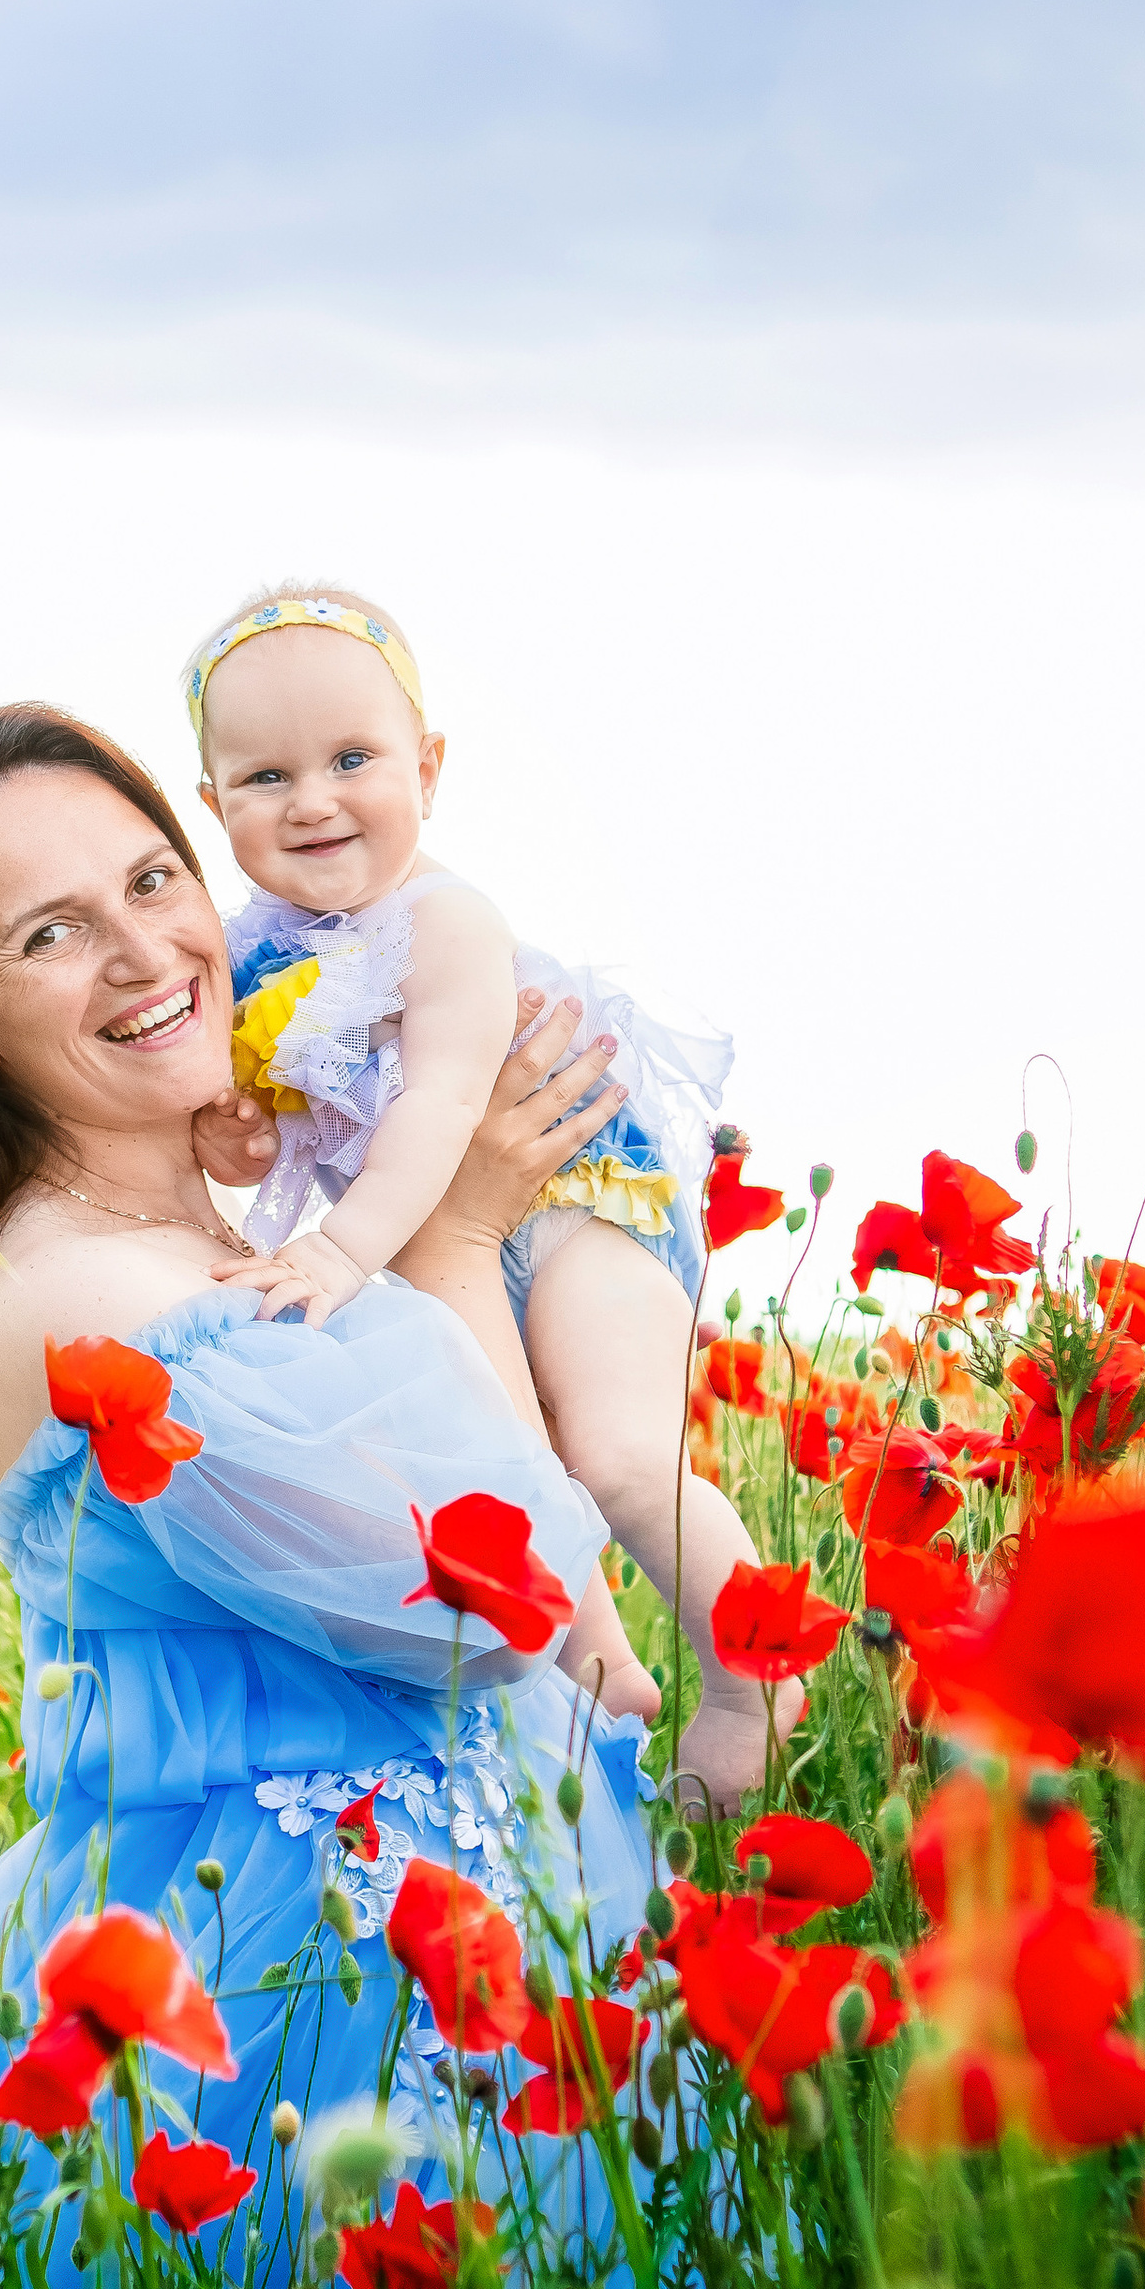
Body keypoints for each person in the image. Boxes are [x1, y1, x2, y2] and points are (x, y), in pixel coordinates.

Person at [0, 703, 667, 2289]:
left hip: (463, 1922)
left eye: (152, 879)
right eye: (51, 931)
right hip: (285, 1994)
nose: (146, 948)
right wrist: (457, 1242)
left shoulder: (240, 1238)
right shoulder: (87, 1303)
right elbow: (460, 1594)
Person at [181, 580, 767, 1807]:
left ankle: (751, 1676)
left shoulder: (444, 921)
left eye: (353, 758)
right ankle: (603, 1674)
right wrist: (239, 1138)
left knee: (610, 1450)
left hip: (578, 1200)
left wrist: (339, 1256)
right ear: (212, 802)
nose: (316, 800)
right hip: (422, 1229)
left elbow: (444, 1105)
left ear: (429, 767)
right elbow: (259, 1130)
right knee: (508, 1476)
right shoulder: (248, 958)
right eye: (266, 778)